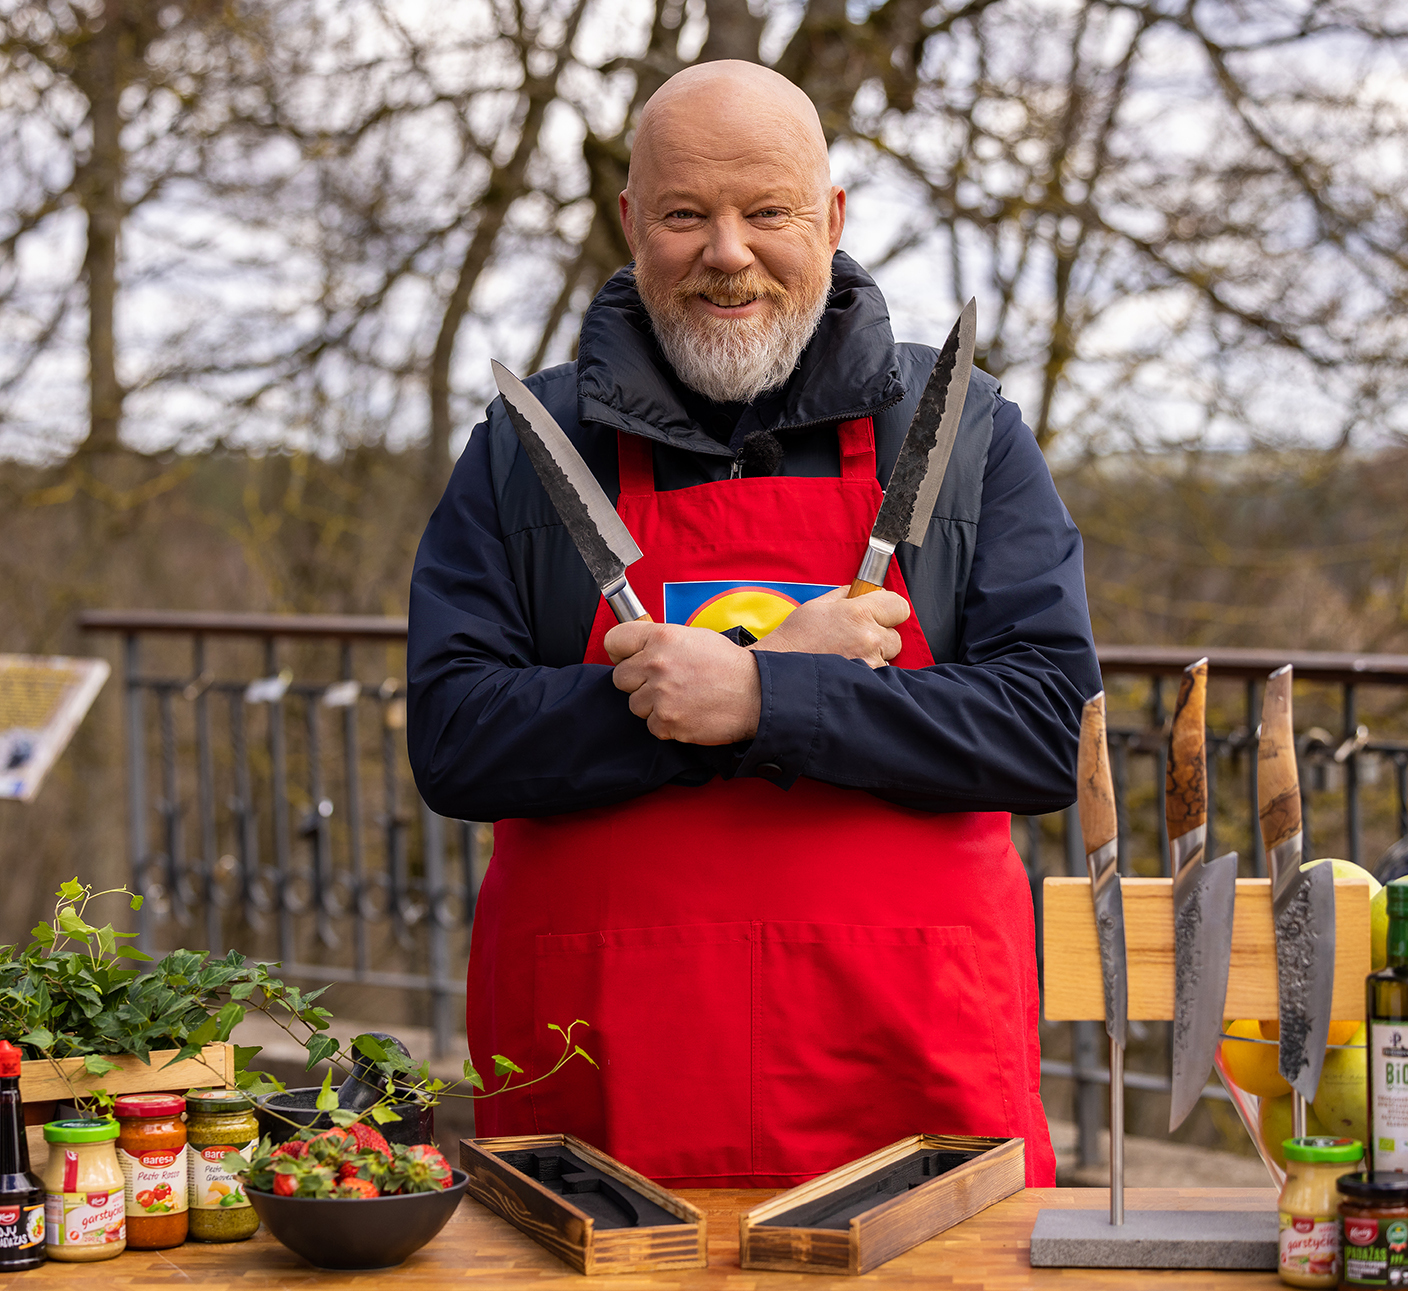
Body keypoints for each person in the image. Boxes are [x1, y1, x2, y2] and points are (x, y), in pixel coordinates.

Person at [406, 60, 1098, 1189]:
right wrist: (686, 703)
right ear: (629, 221)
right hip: (603, 1082)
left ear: (828, 217)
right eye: (685, 213)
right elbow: (452, 737)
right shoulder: (530, 449)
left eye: (765, 210)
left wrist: (766, 700)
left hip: (909, 1073)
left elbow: (1040, 729)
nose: (726, 251)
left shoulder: (961, 431)